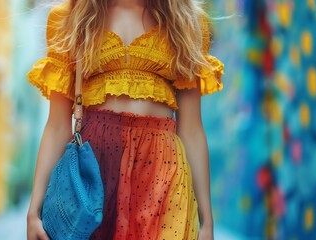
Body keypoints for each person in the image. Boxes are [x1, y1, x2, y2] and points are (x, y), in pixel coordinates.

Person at [26, 0, 224, 239]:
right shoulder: (69, 18)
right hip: (94, 170)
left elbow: (191, 129)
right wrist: (33, 212)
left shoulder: (188, 22)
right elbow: (57, 126)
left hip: (163, 174)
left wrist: (207, 222)